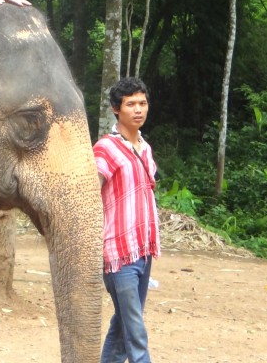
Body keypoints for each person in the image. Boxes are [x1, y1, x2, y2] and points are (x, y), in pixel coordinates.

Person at [93, 77, 161, 363]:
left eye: (142, 103)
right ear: (115, 110)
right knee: (134, 330)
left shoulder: (144, 148)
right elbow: (89, 194)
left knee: (122, 328)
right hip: (117, 254)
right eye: (130, 104)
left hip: (143, 250)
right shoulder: (105, 148)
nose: (138, 110)